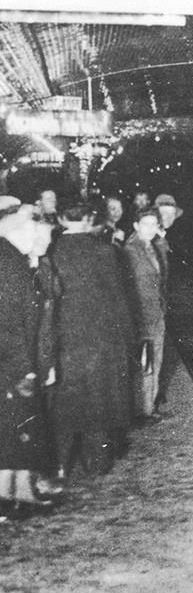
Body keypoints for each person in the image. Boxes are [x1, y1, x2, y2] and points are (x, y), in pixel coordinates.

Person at [48, 204, 138, 479]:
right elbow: (119, 301)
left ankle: (60, 467)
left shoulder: (50, 252)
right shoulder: (104, 252)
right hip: (101, 339)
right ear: (90, 220)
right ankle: (97, 464)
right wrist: (130, 341)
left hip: (63, 340)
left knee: (64, 405)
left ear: (62, 219)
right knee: (99, 403)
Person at [0, 200, 56, 515]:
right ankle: (10, 499)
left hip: (14, 361)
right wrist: (25, 368)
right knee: (12, 430)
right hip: (12, 363)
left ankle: (18, 494)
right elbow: (7, 323)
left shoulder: (12, 259)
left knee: (16, 430)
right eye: (32, 230)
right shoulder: (8, 264)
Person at [124, 208, 169, 420]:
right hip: (141, 315)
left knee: (153, 361)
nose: (150, 229)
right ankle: (142, 410)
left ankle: (148, 407)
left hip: (155, 313)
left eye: (154, 224)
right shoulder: (130, 251)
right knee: (145, 362)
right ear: (135, 226)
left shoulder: (151, 247)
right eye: (145, 224)